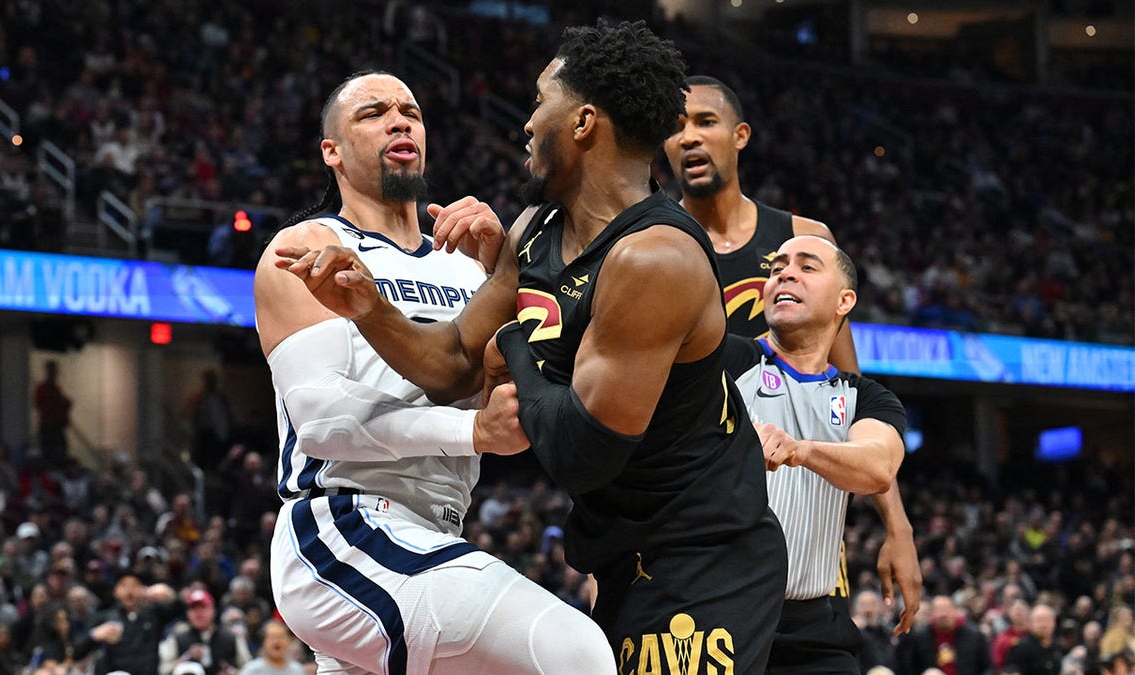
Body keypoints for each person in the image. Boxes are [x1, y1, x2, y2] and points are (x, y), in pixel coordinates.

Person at [279, 21, 788, 672]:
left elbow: (582, 451)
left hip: (703, 548)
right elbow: (454, 362)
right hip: (621, 546)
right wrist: (373, 311)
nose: (525, 123)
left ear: (581, 122)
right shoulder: (535, 229)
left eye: (539, 101)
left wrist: (513, 337)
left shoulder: (656, 256)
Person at [254, 70, 612, 675]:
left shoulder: (467, 264)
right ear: (331, 152)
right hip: (343, 526)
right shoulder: (311, 245)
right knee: (573, 652)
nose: (399, 121)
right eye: (373, 114)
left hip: (439, 525)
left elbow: (508, 394)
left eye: (410, 112)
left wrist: (506, 270)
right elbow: (319, 421)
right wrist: (474, 434)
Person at [663, 73, 922, 632]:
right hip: (696, 516)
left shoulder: (803, 237)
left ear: (740, 135)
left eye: (705, 122)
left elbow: (853, 398)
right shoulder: (649, 239)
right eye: (675, 127)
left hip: (802, 518)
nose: (688, 138)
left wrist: (896, 528)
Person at [720, 235, 906, 673]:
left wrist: (800, 450)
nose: (784, 273)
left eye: (806, 267)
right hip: (721, 616)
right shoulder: (724, 360)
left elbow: (878, 467)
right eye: (776, 267)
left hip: (813, 625)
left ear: (845, 301)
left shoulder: (865, 397)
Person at [158, 588, 252, 675]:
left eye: (203, 608)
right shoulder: (177, 638)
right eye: (193, 609)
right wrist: (185, 658)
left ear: (213, 610)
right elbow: (162, 670)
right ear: (187, 613)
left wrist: (234, 673)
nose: (198, 613)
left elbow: (249, 669)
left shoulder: (231, 638)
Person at [896, 595, 993, 675]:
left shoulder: (975, 636)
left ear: (955, 611)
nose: (943, 614)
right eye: (938, 610)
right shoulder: (918, 637)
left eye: (946, 609)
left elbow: (988, 668)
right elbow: (907, 668)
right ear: (931, 614)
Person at [32, 360, 72, 468]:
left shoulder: (56, 388)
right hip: (49, 426)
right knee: (50, 453)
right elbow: (39, 404)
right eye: (53, 370)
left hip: (56, 426)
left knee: (60, 452)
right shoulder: (43, 388)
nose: (55, 373)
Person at [238, 621, 305, 675]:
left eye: (281, 637)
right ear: (263, 641)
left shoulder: (297, 670)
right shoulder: (251, 670)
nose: (277, 641)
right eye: (272, 637)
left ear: (289, 641)